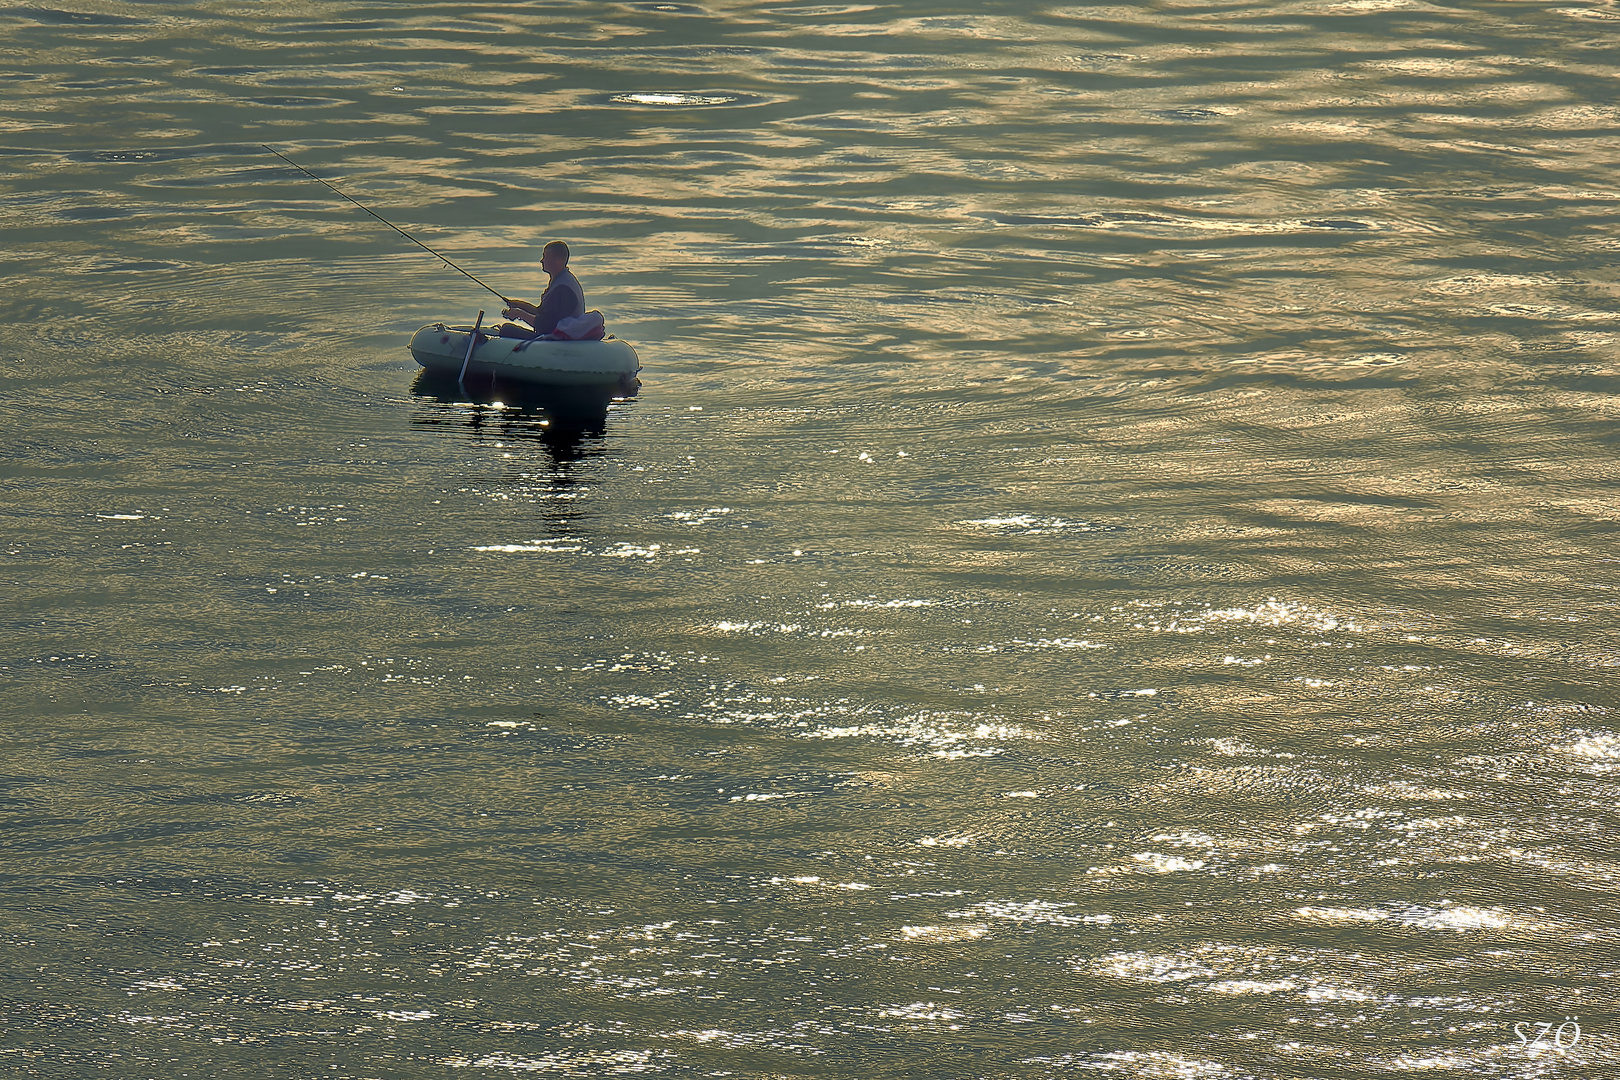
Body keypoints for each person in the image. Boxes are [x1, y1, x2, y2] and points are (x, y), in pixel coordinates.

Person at [499, 241, 585, 338]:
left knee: (507, 330)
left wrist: (519, 314)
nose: (541, 260)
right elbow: (543, 314)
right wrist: (521, 305)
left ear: (558, 260)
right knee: (506, 329)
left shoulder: (563, 288)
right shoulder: (562, 281)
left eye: (546, 257)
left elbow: (546, 326)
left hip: (557, 340)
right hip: (555, 336)